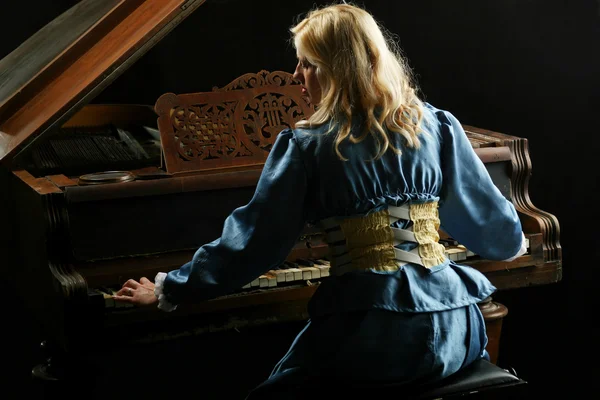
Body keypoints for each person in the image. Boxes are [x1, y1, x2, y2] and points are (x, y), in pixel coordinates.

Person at [114, 2, 527, 398]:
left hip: (378, 338)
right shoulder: (436, 125)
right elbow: (496, 232)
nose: (297, 74)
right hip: (457, 327)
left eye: (308, 63)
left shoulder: (306, 145)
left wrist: (171, 289)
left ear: (337, 70)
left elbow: (254, 244)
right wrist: (512, 239)